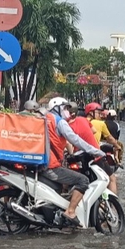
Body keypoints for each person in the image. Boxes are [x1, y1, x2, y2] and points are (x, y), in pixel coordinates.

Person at [43, 97, 106, 227]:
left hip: (40, 164)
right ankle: (70, 211)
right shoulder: (59, 122)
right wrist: (96, 151)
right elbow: (75, 140)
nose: (67, 111)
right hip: (50, 165)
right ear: (57, 108)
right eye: (65, 108)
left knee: (62, 186)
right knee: (83, 181)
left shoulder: (44, 119)